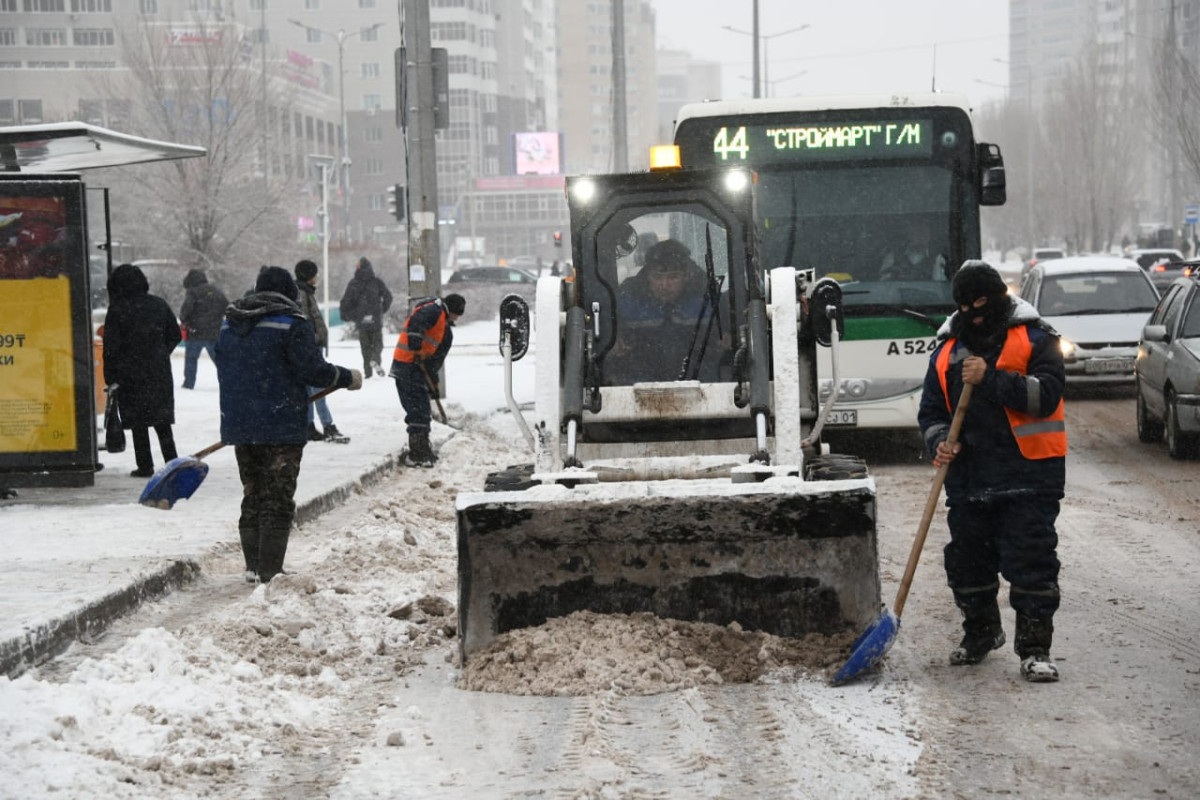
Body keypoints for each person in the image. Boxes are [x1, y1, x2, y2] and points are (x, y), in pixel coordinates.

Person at [917, 261, 1067, 683]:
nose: (974, 312)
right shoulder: (946, 352)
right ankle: (981, 633)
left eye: (982, 302)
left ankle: (1036, 649)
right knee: (967, 564)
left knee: (1031, 561)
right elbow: (930, 411)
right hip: (969, 478)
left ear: (999, 296)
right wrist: (941, 440)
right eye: (965, 305)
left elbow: (1046, 396)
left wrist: (991, 379)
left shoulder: (1037, 339)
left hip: (1030, 476)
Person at [216, 266, 363, 584]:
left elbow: (229, 368)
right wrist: (345, 377)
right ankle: (271, 570)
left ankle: (253, 566)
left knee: (253, 491)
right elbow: (312, 370)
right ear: (289, 294)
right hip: (280, 423)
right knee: (278, 496)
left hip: (241, 423)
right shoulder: (291, 324)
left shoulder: (230, 324)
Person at [102, 263, 182, 478]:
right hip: (158, 370)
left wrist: (111, 378)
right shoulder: (158, 304)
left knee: (138, 422)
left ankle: (145, 465)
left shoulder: (117, 309)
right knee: (162, 420)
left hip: (129, 373)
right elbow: (175, 334)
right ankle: (172, 463)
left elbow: (110, 347)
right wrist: (160, 352)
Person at [611, 239, 712, 383]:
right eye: (657, 277)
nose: (664, 285)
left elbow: (726, 333)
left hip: (701, 385)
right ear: (648, 276)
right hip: (637, 385)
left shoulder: (708, 298)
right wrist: (614, 337)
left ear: (687, 275)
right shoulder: (628, 298)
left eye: (673, 277)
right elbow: (604, 324)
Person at [388, 293, 466, 467]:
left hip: (415, 368)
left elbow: (434, 362)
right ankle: (417, 453)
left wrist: (433, 385)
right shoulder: (433, 310)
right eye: (458, 314)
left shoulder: (446, 331)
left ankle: (421, 449)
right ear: (453, 311)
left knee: (421, 409)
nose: (457, 318)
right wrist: (415, 346)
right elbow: (416, 323)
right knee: (418, 410)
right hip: (407, 365)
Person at [294, 259, 345, 443]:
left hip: (310, 346)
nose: (317, 277)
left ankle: (310, 426)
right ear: (308, 276)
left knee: (309, 388)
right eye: (315, 273)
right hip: (310, 348)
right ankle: (327, 425)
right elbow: (306, 321)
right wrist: (315, 339)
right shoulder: (302, 293)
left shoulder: (305, 292)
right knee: (318, 387)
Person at [339, 256, 393, 377]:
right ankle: (375, 359)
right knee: (378, 343)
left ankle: (368, 373)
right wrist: (381, 310)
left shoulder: (353, 284)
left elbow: (346, 301)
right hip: (375, 318)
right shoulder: (377, 282)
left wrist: (353, 316)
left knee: (365, 346)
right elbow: (388, 297)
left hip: (361, 320)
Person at [178, 268, 229, 390]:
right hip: (214, 333)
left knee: (191, 359)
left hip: (195, 332)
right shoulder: (216, 291)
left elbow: (186, 310)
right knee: (219, 360)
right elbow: (227, 307)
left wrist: (184, 319)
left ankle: (188, 384)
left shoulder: (193, 292)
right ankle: (227, 381)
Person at [880, 219, 948, 282]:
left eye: (924, 233)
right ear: (909, 235)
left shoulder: (938, 258)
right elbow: (884, 285)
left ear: (929, 237)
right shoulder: (893, 257)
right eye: (918, 233)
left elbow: (939, 285)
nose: (921, 237)